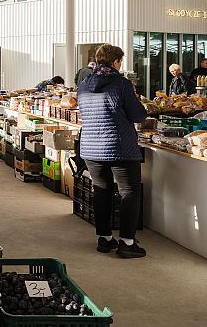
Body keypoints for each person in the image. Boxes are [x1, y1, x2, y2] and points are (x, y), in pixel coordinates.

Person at [77, 44, 147, 258]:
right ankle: (127, 242)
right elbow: (138, 115)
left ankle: (105, 239)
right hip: (119, 146)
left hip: (90, 146)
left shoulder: (84, 84)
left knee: (101, 190)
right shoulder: (121, 83)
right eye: (120, 61)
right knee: (129, 192)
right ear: (116, 62)